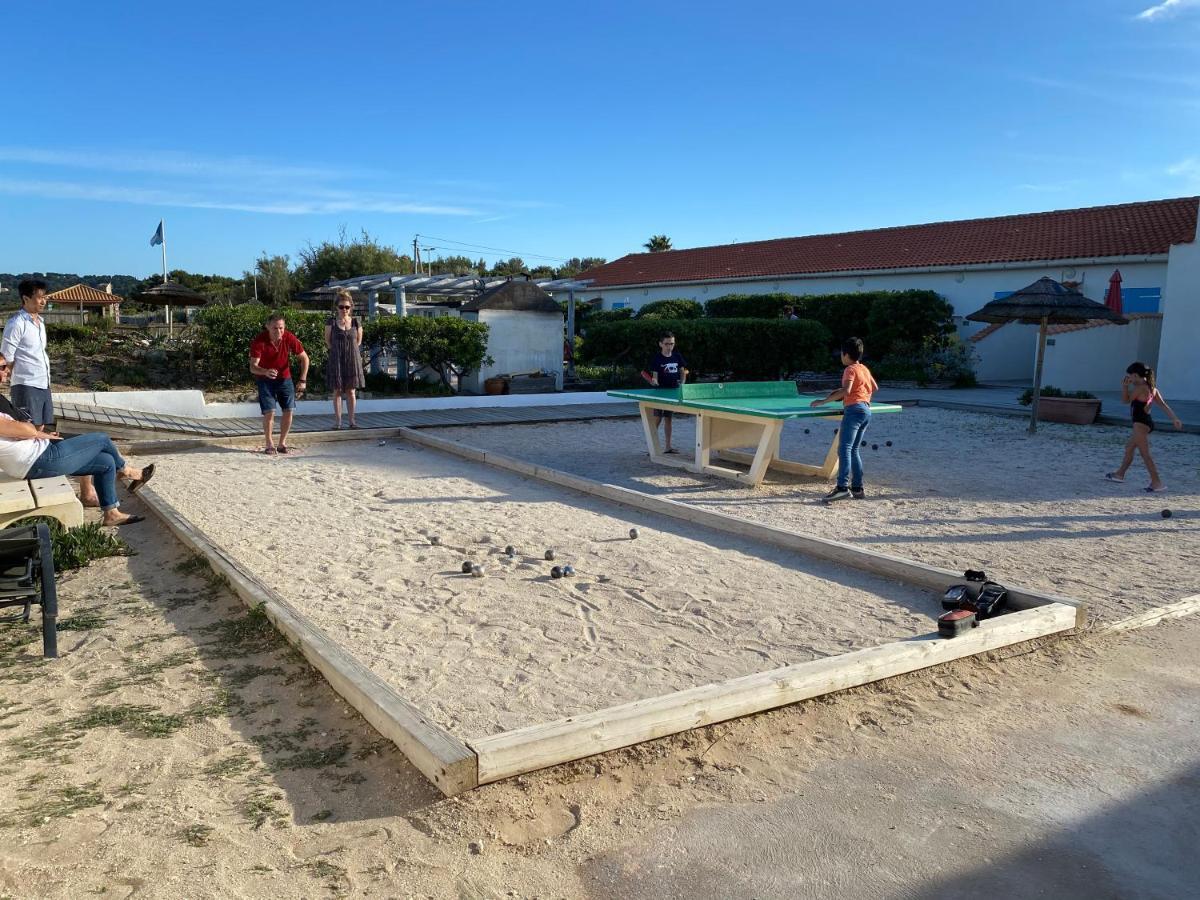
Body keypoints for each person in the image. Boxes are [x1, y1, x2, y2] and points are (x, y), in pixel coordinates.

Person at [0, 354, 153, 526]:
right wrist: (26, 428)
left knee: (106, 462)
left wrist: (42, 434)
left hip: (33, 459)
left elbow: (24, 431)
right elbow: (27, 429)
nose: (7, 371)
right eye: (2, 367)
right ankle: (130, 472)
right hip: (37, 461)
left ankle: (112, 514)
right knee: (102, 439)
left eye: (6, 366)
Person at [1, 278, 100, 506]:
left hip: (42, 383)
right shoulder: (17, 323)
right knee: (30, 431)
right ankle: (41, 477)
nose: (44, 300)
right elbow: (6, 357)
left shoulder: (40, 322)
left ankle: (59, 479)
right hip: (25, 384)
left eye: (45, 296)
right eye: (39, 296)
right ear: (26, 298)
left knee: (42, 428)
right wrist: (6, 381)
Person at [811, 336, 879, 502]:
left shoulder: (849, 369)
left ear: (846, 354)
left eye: (842, 353)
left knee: (844, 449)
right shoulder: (864, 368)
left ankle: (842, 488)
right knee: (854, 449)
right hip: (865, 410)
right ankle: (857, 488)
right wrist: (861, 395)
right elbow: (874, 387)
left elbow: (847, 390)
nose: (841, 356)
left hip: (854, 411)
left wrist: (824, 401)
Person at [1105, 361, 1183, 492]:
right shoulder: (1152, 388)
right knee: (1129, 447)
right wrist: (1174, 418)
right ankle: (1120, 474)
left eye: (1130, 376)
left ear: (1136, 375)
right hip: (1145, 422)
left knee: (1145, 454)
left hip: (1140, 423)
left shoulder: (1140, 388)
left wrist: (1124, 387)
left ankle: (1157, 482)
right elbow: (1164, 405)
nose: (1129, 378)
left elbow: (1125, 400)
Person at [249, 314, 310, 454]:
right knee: (269, 412)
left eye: (281, 328)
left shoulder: (288, 337)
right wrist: (265, 371)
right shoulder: (259, 340)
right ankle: (269, 443)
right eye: (275, 328)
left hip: (285, 378)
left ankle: (282, 443)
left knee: (289, 410)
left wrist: (302, 380)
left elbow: (305, 359)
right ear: (268, 327)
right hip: (265, 379)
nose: (279, 331)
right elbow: (253, 366)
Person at [641, 331, 688, 453]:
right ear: (660, 344)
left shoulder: (677, 356)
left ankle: (668, 447)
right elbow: (655, 376)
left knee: (668, 419)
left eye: (671, 344)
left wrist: (682, 384)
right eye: (667, 344)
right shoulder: (657, 358)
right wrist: (654, 381)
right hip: (660, 393)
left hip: (672, 392)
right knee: (657, 418)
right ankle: (652, 446)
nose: (669, 346)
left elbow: (683, 372)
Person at [324, 290, 365, 429]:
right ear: (337, 307)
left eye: (347, 307)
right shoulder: (331, 322)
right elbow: (328, 341)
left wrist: (350, 352)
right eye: (341, 307)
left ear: (351, 307)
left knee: (351, 391)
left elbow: (358, 341)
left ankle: (352, 421)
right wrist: (337, 351)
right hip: (336, 358)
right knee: (337, 391)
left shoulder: (356, 322)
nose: (344, 310)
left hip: (352, 358)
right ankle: (338, 422)